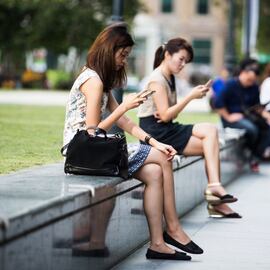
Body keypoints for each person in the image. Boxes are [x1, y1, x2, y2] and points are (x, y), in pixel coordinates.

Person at [63, 23, 202, 261]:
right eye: (123, 55)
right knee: (162, 158)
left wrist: (154, 141)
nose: (124, 61)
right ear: (109, 50)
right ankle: (173, 228)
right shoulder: (93, 81)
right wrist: (126, 106)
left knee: (155, 173)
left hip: (94, 149)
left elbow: (126, 122)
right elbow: (92, 131)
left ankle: (157, 243)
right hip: (81, 150)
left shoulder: (101, 81)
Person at [137, 38, 240, 219]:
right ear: (167, 55)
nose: (183, 64)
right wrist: (190, 96)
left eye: (186, 61)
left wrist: (171, 110)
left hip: (166, 129)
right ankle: (216, 194)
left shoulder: (169, 78)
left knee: (211, 135)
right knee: (210, 138)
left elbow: (170, 115)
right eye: (181, 59)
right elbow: (167, 115)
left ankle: (215, 190)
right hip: (155, 134)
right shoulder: (156, 80)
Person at [215, 58, 270, 170]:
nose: (251, 82)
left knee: (267, 128)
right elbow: (217, 103)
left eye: (253, 80)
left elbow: (257, 106)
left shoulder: (254, 87)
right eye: (249, 79)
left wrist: (266, 116)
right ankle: (252, 156)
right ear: (243, 73)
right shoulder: (231, 84)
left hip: (248, 117)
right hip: (232, 119)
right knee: (252, 129)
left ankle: (254, 156)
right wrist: (228, 117)